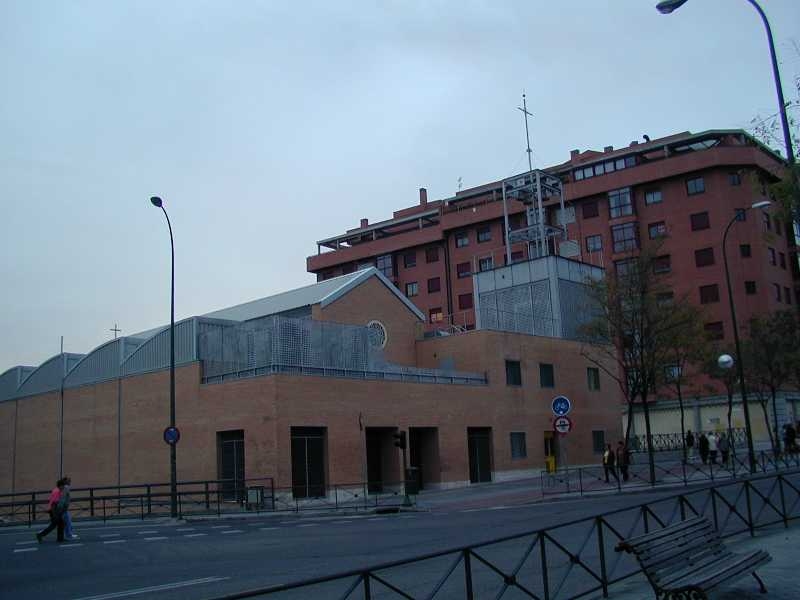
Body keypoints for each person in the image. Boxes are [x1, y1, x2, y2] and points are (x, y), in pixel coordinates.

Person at [36, 479, 65, 543]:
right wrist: (55, 514)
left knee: (61, 523)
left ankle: (60, 538)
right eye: (63, 486)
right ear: (60, 485)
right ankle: (40, 535)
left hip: (54, 510)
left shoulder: (57, 490)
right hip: (54, 511)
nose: (64, 487)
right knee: (54, 525)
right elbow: (53, 503)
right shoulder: (57, 491)